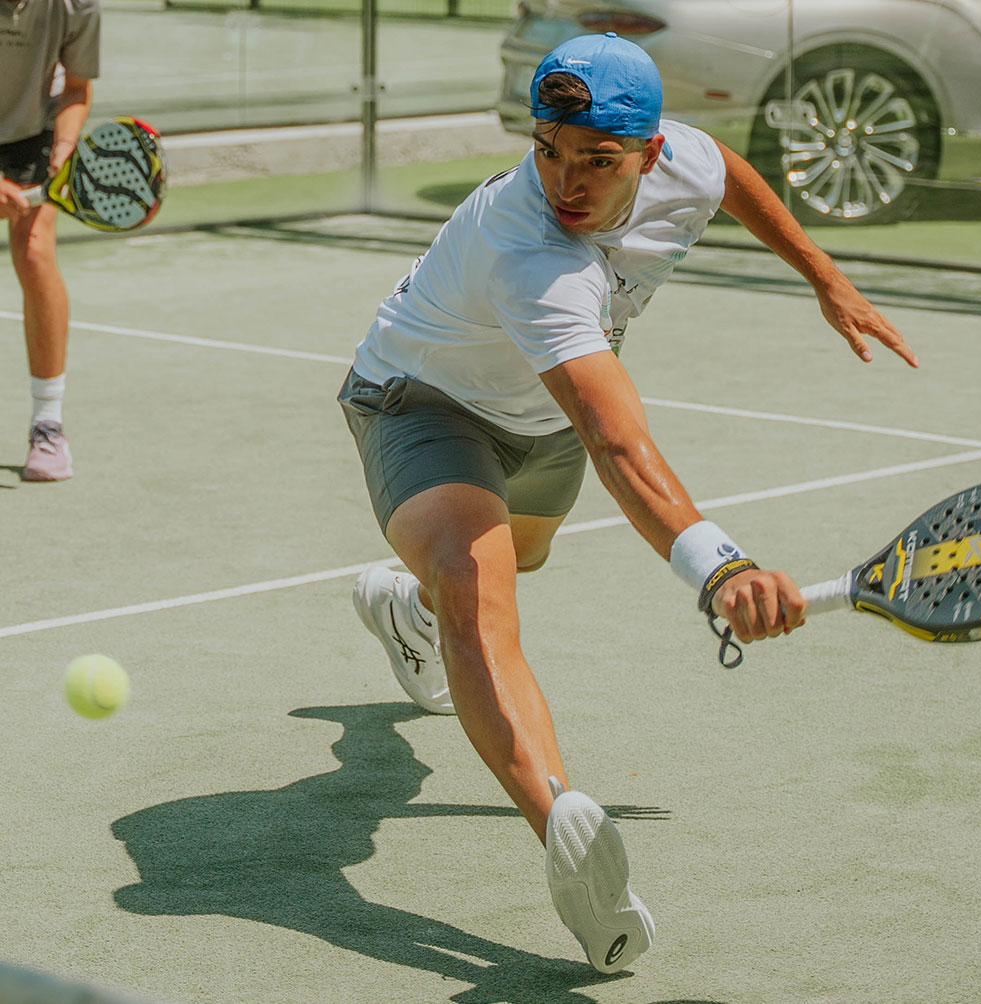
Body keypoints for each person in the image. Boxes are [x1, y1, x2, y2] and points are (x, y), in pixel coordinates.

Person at [339, 32, 918, 974]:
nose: (567, 181)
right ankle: (569, 848)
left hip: (541, 416)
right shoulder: (529, 253)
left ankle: (404, 611)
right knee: (477, 598)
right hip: (421, 400)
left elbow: (726, 169)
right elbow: (618, 443)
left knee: (517, 560)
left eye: (597, 162)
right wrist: (721, 567)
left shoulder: (680, 156)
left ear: (648, 155)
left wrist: (822, 271)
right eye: (548, 150)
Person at [0, 0, 101, 481]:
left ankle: (48, 425)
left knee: (36, 251)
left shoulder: (76, 4)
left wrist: (63, 149)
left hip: (29, 132)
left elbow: (77, 87)